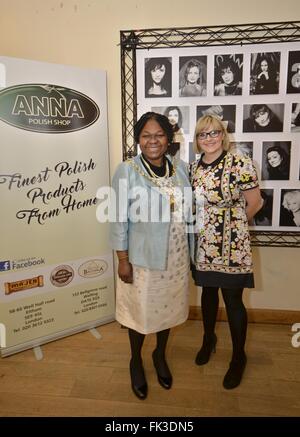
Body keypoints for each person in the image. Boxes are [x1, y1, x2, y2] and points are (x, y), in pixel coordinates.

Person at [110, 112, 192, 400]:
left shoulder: (180, 168)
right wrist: (122, 259)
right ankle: (136, 359)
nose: (153, 140)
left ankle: (159, 355)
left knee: (167, 309)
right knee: (140, 312)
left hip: (177, 255)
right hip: (143, 258)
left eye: (159, 135)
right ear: (138, 139)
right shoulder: (127, 170)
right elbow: (118, 218)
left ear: (168, 139)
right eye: (146, 135)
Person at [189, 114, 263, 390]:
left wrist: (233, 225)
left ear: (223, 134)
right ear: (197, 140)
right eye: (202, 135)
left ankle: (238, 357)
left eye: (213, 133)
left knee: (233, 299)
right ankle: (209, 339)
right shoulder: (193, 168)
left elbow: (255, 202)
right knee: (207, 293)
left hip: (233, 244)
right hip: (205, 242)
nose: (208, 139)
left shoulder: (240, 163)